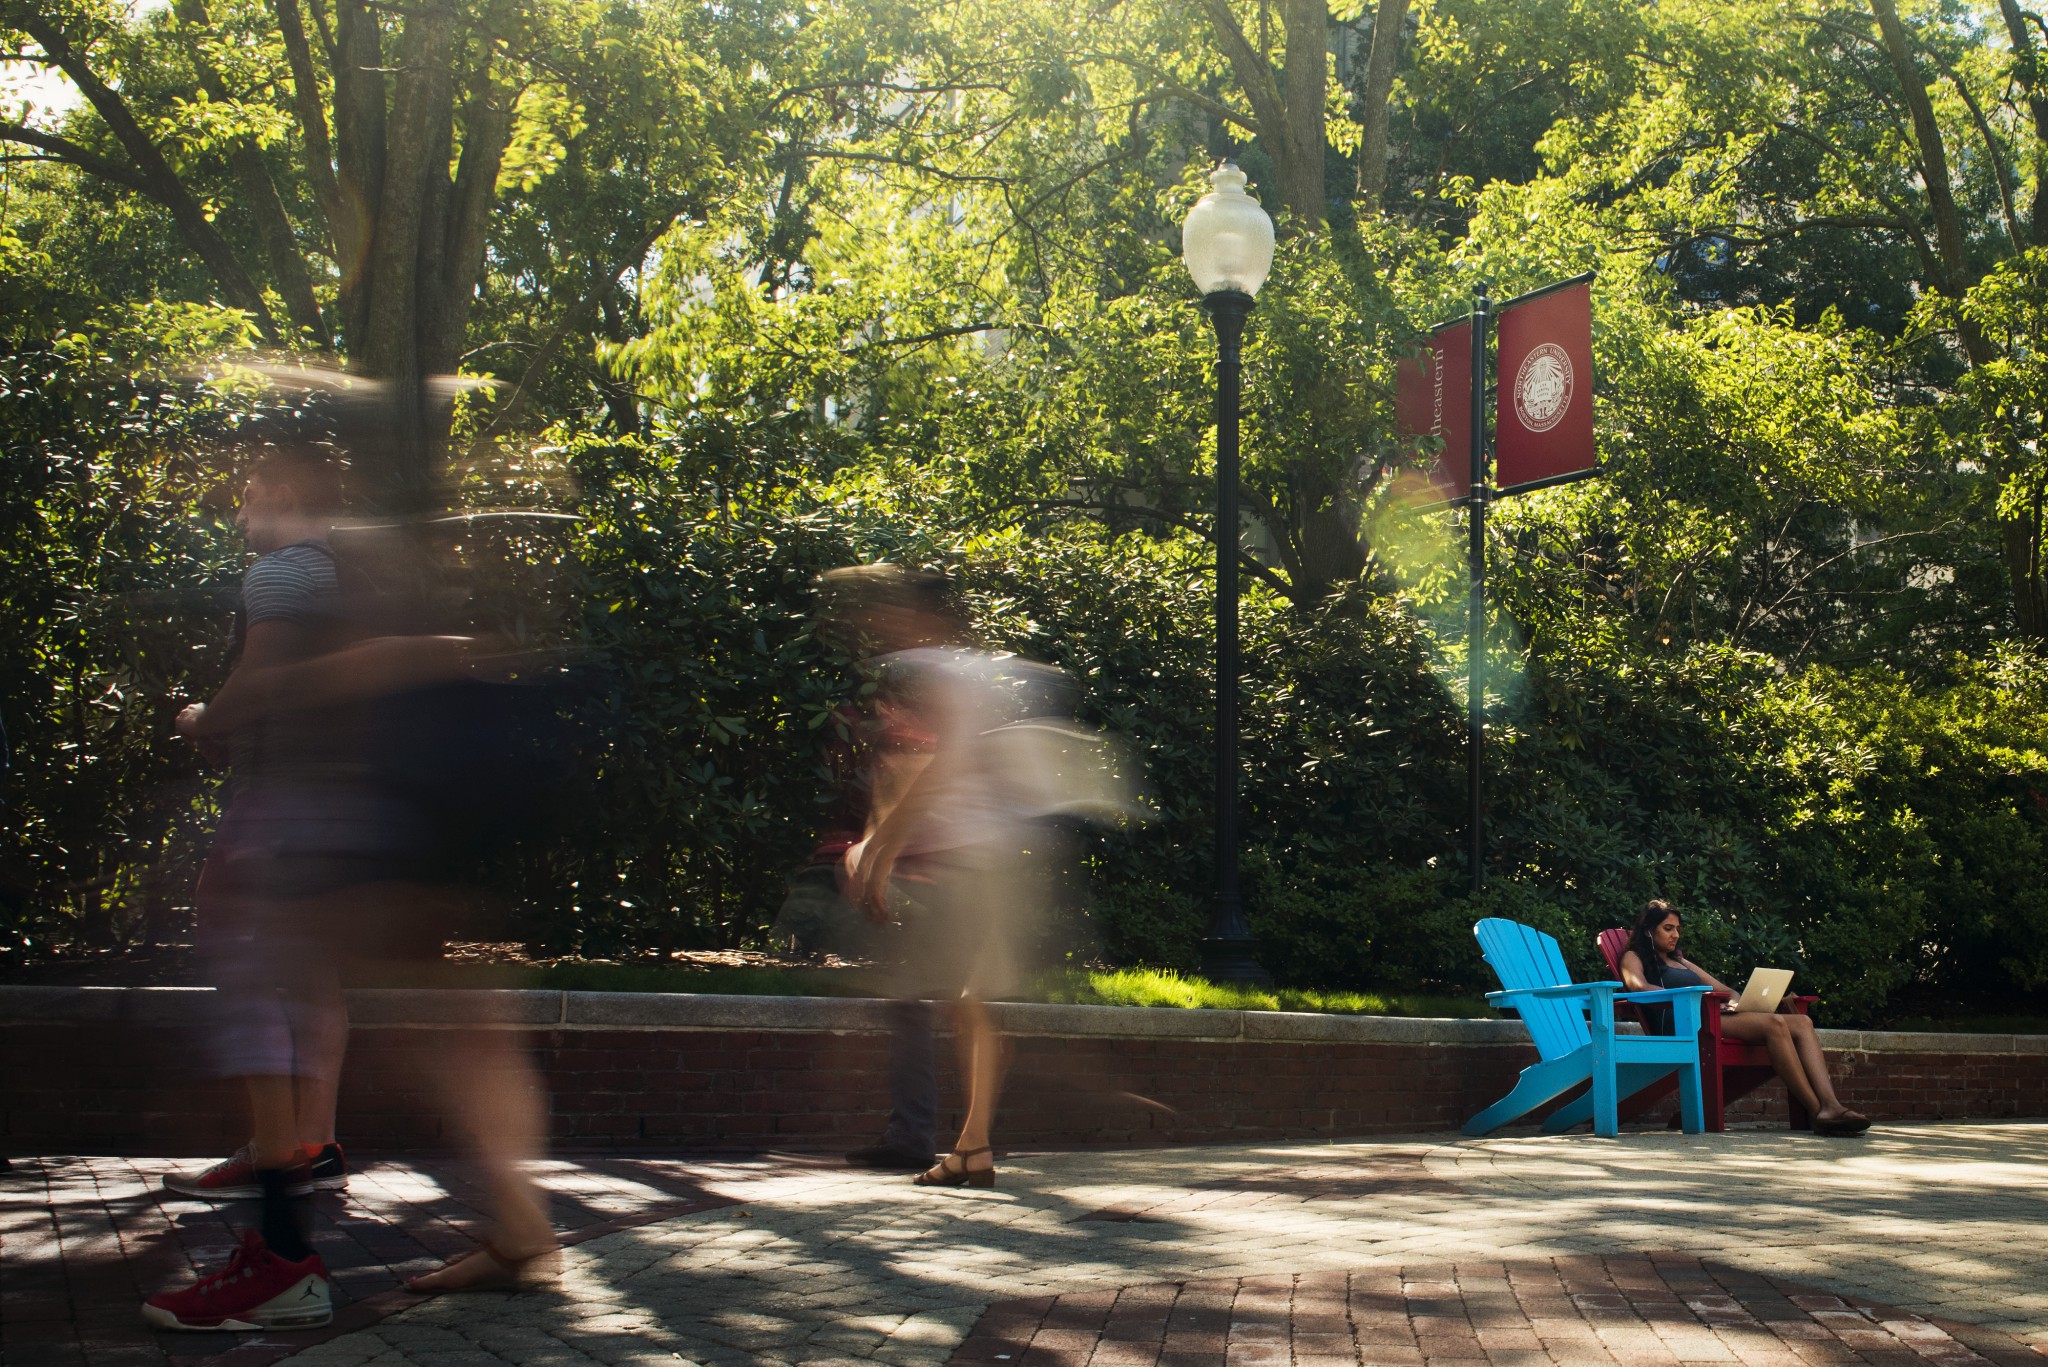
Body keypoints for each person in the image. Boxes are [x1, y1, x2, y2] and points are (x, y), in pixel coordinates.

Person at [146, 446, 363, 1330]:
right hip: (339, 811)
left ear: (278, 493)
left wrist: (206, 718)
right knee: (308, 978)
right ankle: (309, 1147)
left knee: (243, 962)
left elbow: (259, 682)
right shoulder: (348, 572)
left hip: (279, 810)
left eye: (247, 499)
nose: (240, 517)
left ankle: (280, 1250)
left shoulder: (280, 575)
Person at [1616, 900, 1871, 1137]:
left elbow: (1726, 990)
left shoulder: (1681, 961)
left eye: (1678, 929)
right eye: (1668, 928)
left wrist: (1735, 1001)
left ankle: (1831, 1105)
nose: (1676, 935)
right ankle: (1819, 1112)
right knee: (1774, 1024)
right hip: (1685, 1024)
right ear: (1649, 931)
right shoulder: (1633, 957)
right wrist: (1691, 998)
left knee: (1803, 1023)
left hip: (1711, 1017)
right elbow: (1638, 987)